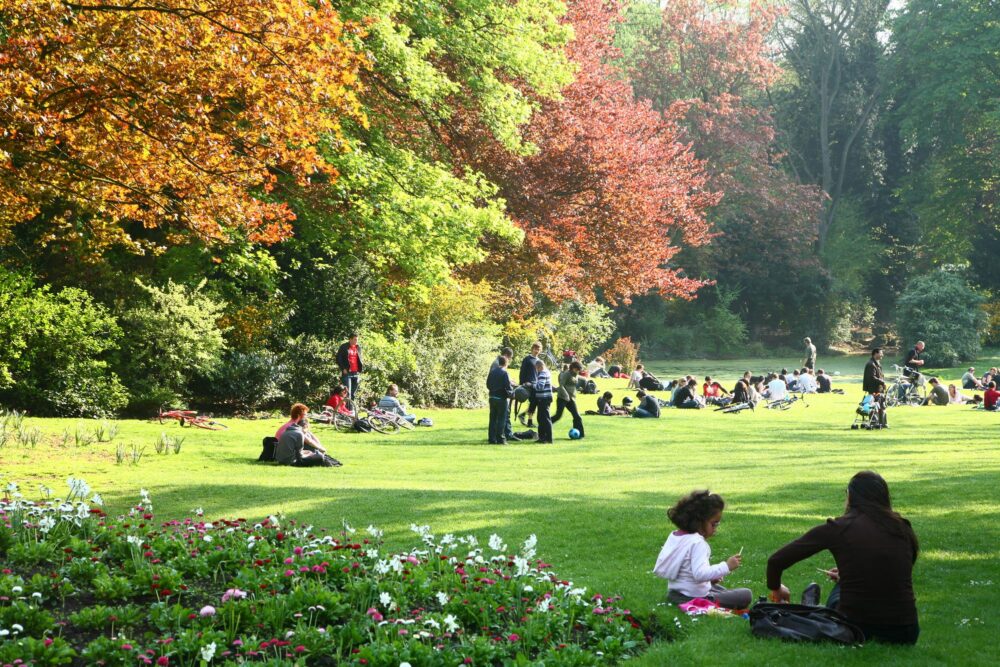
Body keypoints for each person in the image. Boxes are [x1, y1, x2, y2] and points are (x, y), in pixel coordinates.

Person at [766, 471, 919, 645]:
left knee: (839, 594)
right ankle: (811, 606)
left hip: (856, 627)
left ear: (850, 497)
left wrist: (776, 588)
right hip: (906, 631)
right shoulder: (902, 527)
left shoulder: (840, 528)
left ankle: (810, 608)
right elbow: (896, 569)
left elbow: (776, 560)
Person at [653, 490, 749, 610]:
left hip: (674, 594)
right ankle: (708, 602)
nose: (715, 529)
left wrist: (710, 580)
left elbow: (688, 572)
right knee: (746, 595)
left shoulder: (676, 536)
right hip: (692, 598)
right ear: (699, 521)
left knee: (718, 589)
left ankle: (712, 595)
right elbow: (700, 574)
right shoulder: (697, 542)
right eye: (714, 524)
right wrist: (727, 566)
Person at [552, 361, 585, 438]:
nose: (578, 371)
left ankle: (580, 435)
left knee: (577, 416)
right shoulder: (566, 374)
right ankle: (545, 425)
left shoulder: (576, 375)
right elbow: (561, 386)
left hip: (571, 399)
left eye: (579, 370)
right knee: (558, 416)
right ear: (573, 368)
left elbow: (572, 385)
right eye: (577, 369)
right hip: (562, 398)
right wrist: (566, 395)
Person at [486, 356, 514, 444]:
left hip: (492, 397)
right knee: (502, 419)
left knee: (493, 419)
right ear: (506, 363)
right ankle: (500, 438)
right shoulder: (504, 373)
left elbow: (488, 384)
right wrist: (512, 393)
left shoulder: (492, 372)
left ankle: (492, 438)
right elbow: (508, 387)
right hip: (501, 398)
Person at [518, 342, 543, 428]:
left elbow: (539, 373)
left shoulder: (539, 361)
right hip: (528, 384)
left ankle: (524, 416)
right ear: (532, 349)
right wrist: (522, 383)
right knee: (533, 402)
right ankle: (529, 421)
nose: (537, 351)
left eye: (538, 349)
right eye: (535, 349)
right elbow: (522, 372)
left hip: (536, 384)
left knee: (534, 403)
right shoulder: (527, 359)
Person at [862, 348, 888, 428]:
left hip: (879, 389)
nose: (882, 355)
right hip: (874, 389)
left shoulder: (876, 363)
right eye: (881, 353)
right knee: (874, 406)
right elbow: (872, 377)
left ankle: (883, 423)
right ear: (875, 354)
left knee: (882, 406)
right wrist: (882, 382)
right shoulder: (871, 364)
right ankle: (874, 423)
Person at [336, 333, 364, 400]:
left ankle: (352, 410)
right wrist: (343, 368)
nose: (356, 341)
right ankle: (347, 409)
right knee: (347, 393)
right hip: (347, 373)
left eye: (357, 340)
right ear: (350, 339)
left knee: (353, 394)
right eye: (355, 339)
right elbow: (338, 359)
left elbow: (360, 359)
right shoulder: (344, 347)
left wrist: (360, 369)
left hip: (356, 373)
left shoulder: (358, 347)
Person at [533, 359, 553, 444]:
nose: (536, 370)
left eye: (536, 368)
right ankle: (542, 437)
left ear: (539, 366)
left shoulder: (542, 373)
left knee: (544, 419)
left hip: (543, 398)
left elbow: (540, 386)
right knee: (541, 418)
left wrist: (532, 385)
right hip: (545, 398)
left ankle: (548, 438)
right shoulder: (547, 372)